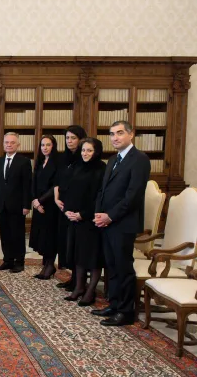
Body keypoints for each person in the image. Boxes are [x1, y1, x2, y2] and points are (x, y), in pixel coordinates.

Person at [92, 121, 151, 326]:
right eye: (112, 134)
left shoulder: (140, 159)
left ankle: (126, 312)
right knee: (112, 266)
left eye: (119, 133)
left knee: (123, 267)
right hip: (107, 222)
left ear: (131, 134)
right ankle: (115, 304)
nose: (115, 137)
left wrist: (110, 216)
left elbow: (132, 196)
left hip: (124, 224)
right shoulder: (112, 160)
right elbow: (102, 190)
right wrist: (99, 213)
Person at [61, 138, 106, 306]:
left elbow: (99, 197)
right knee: (78, 255)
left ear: (96, 152)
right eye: (83, 150)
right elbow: (69, 191)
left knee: (93, 257)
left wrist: (83, 214)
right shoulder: (77, 166)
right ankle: (79, 287)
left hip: (91, 220)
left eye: (89, 150)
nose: (85, 154)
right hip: (74, 219)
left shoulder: (102, 169)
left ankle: (90, 290)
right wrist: (69, 212)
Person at [0, 132, 32, 273]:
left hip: (18, 206)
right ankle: (7, 260)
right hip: (2, 205)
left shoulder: (24, 162)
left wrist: (27, 205)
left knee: (17, 234)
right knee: (5, 234)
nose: (9, 145)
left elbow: (27, 185)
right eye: (6, 142)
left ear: (17, 145)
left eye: (12, 142)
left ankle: (19, 262)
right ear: (3, 144)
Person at [53, 125, 87, 290]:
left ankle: (79, 281)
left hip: (78, 208)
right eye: (67, 138)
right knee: (66, 243)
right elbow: (57, 180)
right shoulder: (63, 158)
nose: (70, 141)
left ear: (81, 139)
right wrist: (56, 198)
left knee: (77, 245)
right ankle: (73, 278)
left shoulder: (85, 157)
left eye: (73, 138)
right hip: (63, 206)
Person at [29, 135, 60, 279]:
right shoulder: (40, 162)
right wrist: (35, 201)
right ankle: (46, 265)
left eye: (48, 145)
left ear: (53, 146)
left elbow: (55, 185)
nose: (45, 148)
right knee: (41, 236)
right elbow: (33, 183)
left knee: (50, 237)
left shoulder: (58, 162)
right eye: (42, 145)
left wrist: (40, 201)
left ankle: (50, 266)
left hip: (50, 206)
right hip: (38, 205)